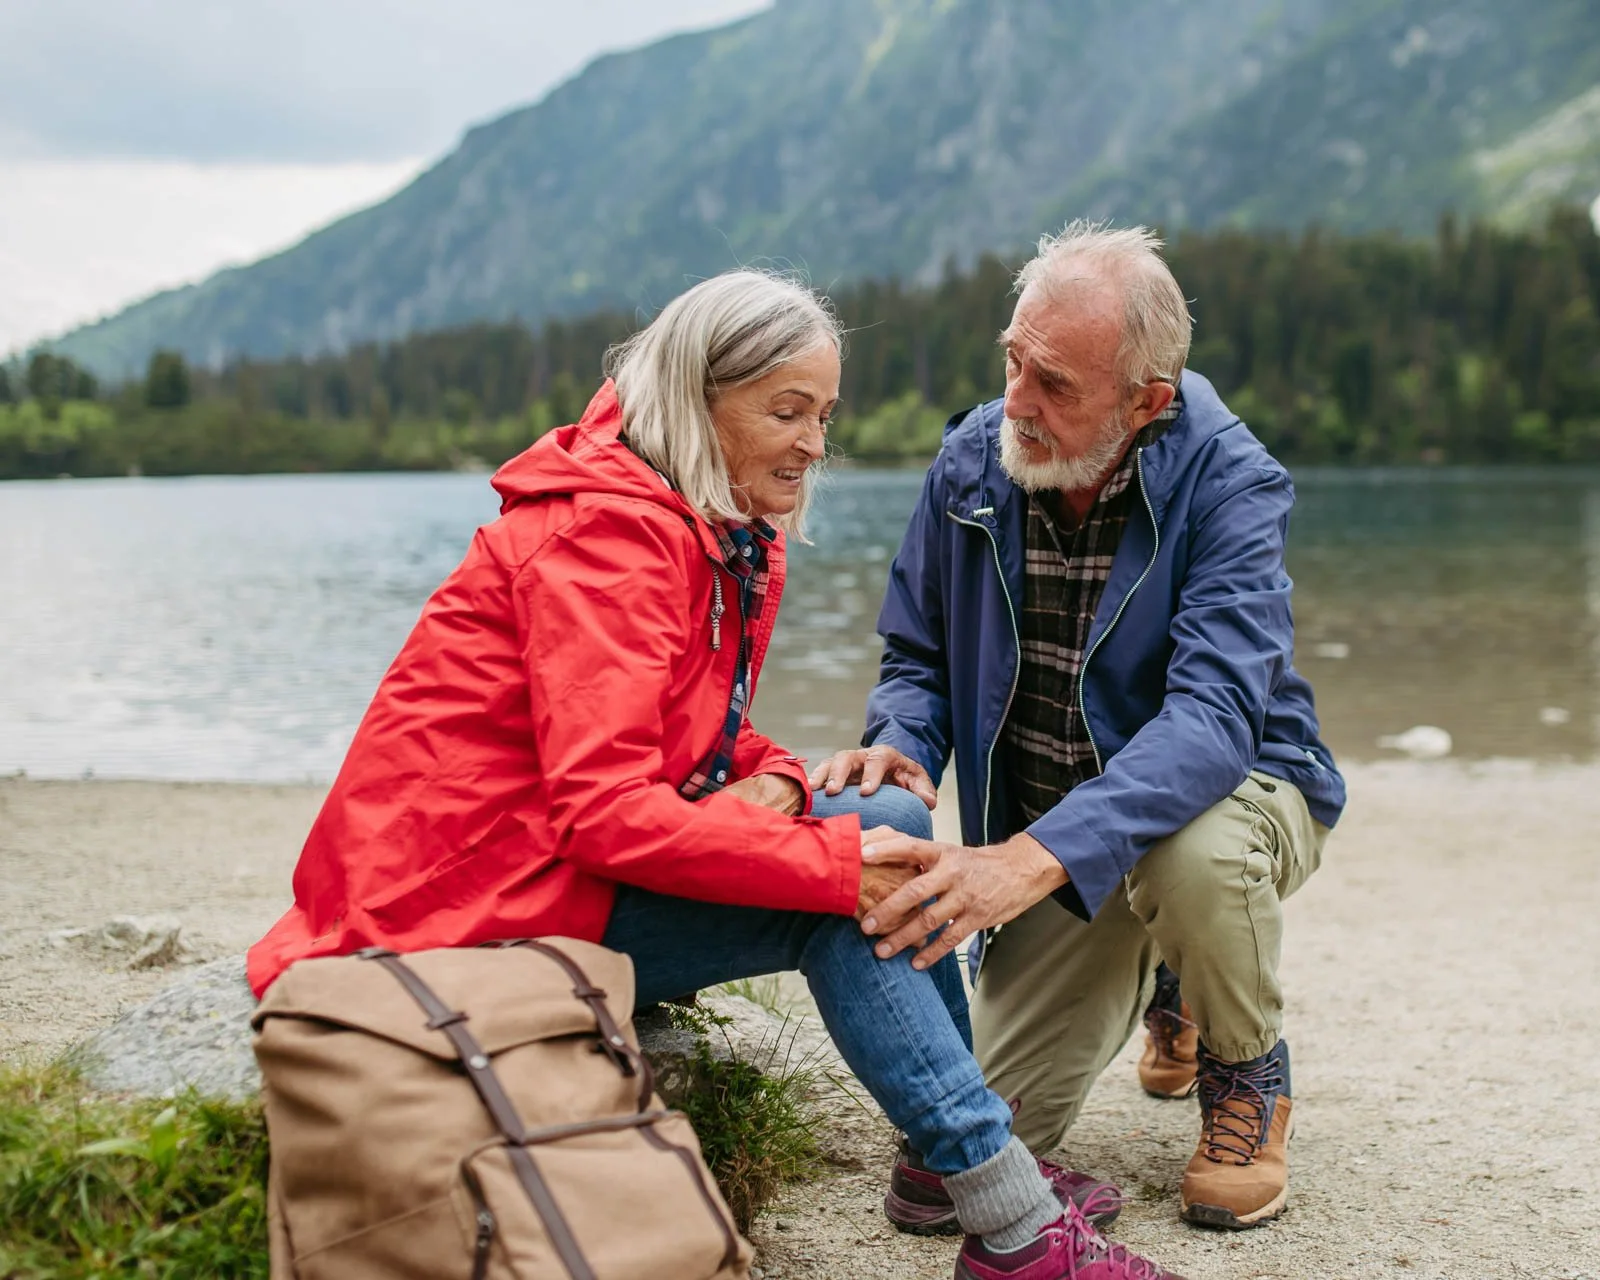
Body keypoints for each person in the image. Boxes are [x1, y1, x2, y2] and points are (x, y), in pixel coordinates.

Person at [248, 270, 1182, 1279]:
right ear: (697, 401)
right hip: (448, 912)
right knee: (843, 894)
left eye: (825, 414)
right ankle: (1015, 1228)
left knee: (880, 810)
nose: (816, 444)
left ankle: (939, 1159)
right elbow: (606, 810)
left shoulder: (697, 523)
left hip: (530, 865)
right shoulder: (608, 539)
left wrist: (784, 779)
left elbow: (697, 727)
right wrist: (825, 866)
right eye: (787, 411)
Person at [812, 225, 1346, 1231]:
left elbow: (1214, 720)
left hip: (1236, 793)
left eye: (1053, 382)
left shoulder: (1233, 481)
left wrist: (1028, 856)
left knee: (1193, 851)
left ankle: (1246, 1074)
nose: (1016, 401)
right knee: (959, 1160)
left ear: (1147, 399)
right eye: (1013, 359)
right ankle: (1171, 986)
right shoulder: (972, 461)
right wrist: (904, 743)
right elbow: (918, 655)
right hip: (1066, 842)